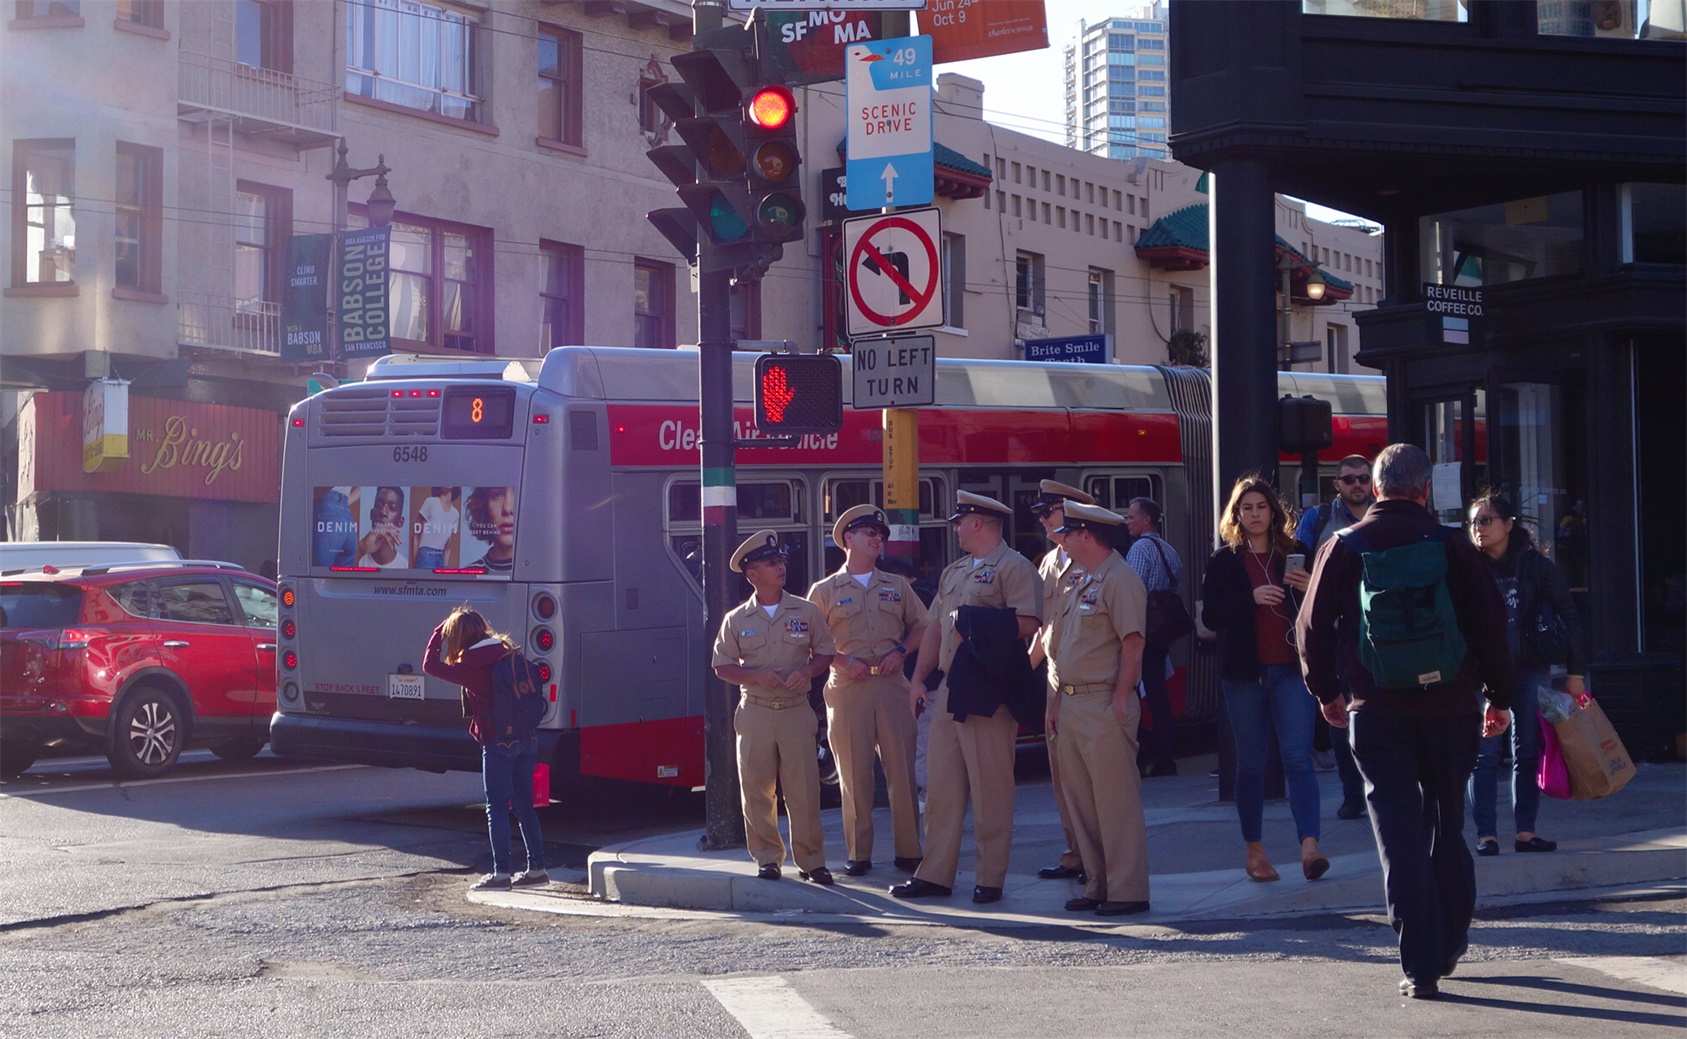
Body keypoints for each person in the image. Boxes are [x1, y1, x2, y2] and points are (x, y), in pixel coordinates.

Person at [1297, 444, 1514, 1000]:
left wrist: (1326, 692)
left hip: (1377, 710)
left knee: (1398, 834)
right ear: (1424, 491)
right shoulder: (1451, 545)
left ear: (1373, 487)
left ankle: (1418, 965)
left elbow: (1312, 627)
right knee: (1446, 822)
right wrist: (1499, 697)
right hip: (1450, 709)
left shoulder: (1341, 546)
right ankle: (1450, 943)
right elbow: (1489, 623)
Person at [892, 490, 1041, 904]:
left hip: (990, 688)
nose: (955, 528)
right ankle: (935, 874)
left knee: (991, 788)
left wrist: (979, 624)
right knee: (940, 787)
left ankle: (989, 878)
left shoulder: (1013, 568)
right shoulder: (954, 571)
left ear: (979, 523)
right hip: (950, 686)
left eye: (960, 521)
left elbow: (1029, 622)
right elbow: (936, 627)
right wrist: (919, 678)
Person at [1200, 474, 1328, 884]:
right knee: (1251, 764)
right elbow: (1210, 618)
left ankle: (1310, 848)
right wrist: (1249, 599)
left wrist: (1310, 589)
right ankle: (1255, 853)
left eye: (1261, 507)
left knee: (1298, 759)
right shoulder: (1224, 561)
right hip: (1245, 675)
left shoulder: (1296, 552)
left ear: (1275, 512)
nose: (1255, 514)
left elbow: (1323, 612)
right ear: (1237, 514)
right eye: (1246, 508)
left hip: (1292, 671)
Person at [807, 505, 929, 878]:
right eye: (868, 533)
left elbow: (924, 628)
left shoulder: (896, 586)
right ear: (848, 539)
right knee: (854, 775)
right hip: (848, 688)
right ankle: (859, 854)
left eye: (880, 535)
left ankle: (909, 850)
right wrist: (842, 661)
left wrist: (901, 652)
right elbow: (807, 641)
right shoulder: (824, 590)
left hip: (892, 686)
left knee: (902, 773)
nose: (877, 540)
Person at [712, 530, 837, 884]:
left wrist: (808, 671)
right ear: (752, 575)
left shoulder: (807, 610)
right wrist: (754, 675)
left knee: (805, 790)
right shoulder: (736, 619)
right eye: (770, 563)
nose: (780, 566)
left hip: (796, 710)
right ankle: (768, 859)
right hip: (756, 711)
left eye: (780, 560)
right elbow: (721, 666)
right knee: (756, 790)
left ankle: (813, 862)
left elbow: (826, 652)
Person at [1046, 501, 1152, 916]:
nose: (1063, 541)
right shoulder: (1080, 581)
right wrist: (1056, 700)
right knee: (1082, 803)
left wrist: (1122, 697)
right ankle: (1097, 883)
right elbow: (1065, 650)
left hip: (1103, 701)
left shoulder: (1120, 579)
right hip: (1072, 701)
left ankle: (1127, 890)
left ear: (1086, 535)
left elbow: (1133, 642)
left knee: (1115, 802)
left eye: (1068, 533)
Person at [1466, 490, 1585, 857]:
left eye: (1486, 520)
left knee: (1527, 751)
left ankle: (1525, 832)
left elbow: (1569, 614)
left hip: (1530, 668)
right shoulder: (1467, 566)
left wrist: (1576, 672)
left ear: (1508, 524)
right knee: (1483, 755)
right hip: (1482, 674)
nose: (1478, 529)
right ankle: (1487, 835)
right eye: (1473, 522)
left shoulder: (1535, 565)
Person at [422, 607, 547, 891]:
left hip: (499, 740)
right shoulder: (507, 651)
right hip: (528, 738)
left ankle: (501, 874)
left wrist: (437, 632)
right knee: (525, 807)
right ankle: (537, 868)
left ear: (457, 638)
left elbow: (429, 665)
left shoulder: (471, 666)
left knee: (497, 808)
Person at [1294, 454, 1377, 821]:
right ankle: (1351, 793)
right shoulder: (1319, 519)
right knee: (1341, 717)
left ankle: (1378, 785)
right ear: (1337, 484)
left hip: (1380, 629)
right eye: (1349, 479)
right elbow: (1297, 566)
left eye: (1363, 477)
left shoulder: (1384, 515)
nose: (1357, 484)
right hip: (1336, 633)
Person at [1026, 479, 1095, 884]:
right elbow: (1045, 627)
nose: (1043, 520)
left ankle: (1097, 859)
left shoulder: (1094, 559)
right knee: (1062, 773)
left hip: (1089, 678)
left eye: (1048, 512)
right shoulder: (1049, 562)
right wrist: (1024, 670)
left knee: (1091, 777)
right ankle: (1075, 853)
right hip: (1056, 678)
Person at [1123, 496, 1183, 778]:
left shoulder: (1138, 550)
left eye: (1132, 516)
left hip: (1142, 630)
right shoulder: (1168, 549)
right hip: (1162, 631)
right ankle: (1167, 758)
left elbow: (1132, 592)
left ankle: (1138, 758)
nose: (1127, 521)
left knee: (1132, 692)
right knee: (1158, 695)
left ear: (1146, 520)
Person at [464, 486, 516, 574]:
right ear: (485, 505)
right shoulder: (467, 576)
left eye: (518, 494)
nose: (507, 508)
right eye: (497, 495)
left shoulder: (545, 573)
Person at [357, 486, 409, 569]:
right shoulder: (358, 561)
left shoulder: (405, 566)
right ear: (371, 514)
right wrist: (361, 548)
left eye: (392, 507)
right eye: (379, 505)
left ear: (400, 522)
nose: (383, 512)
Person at [412, 486, 461, 571]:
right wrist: (414, 567)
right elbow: (415, 535)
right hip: (425, 556)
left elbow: (448, 547)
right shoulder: (430, 502)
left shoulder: (455, 514)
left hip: (440, 558)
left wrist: (444, 570)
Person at [312, 486, 358, 568]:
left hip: (325, 510)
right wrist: (342, 506)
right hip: (347, 518)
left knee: (320, 576)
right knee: (344, 579)